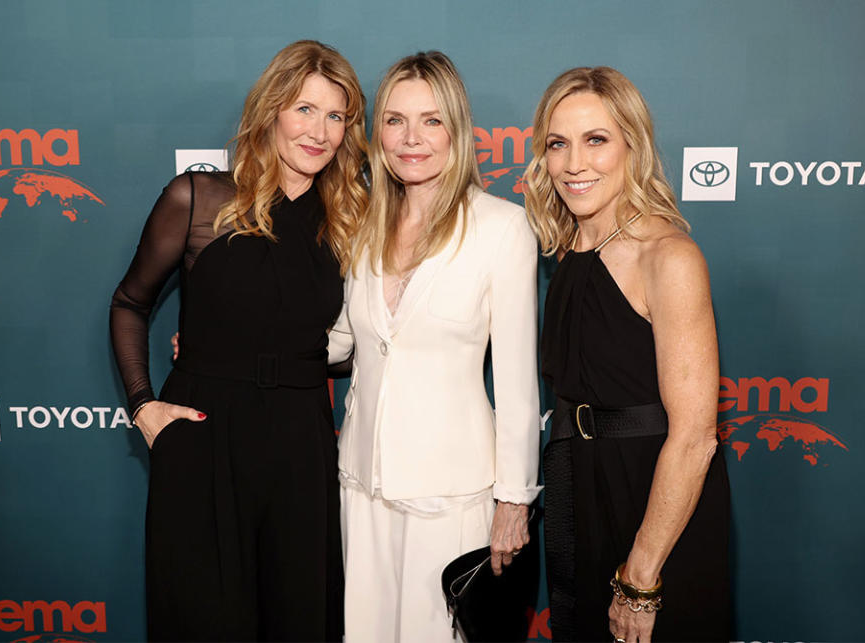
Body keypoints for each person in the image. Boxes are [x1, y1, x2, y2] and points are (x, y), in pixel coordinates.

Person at [109, 40, 367, 642]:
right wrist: (144, 405)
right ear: (271, 110)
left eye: (336, 116)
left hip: (301, 443)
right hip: (203, 435)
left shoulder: (352, 219)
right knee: (203, 615)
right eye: (304, 109)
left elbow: (353, 340)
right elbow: (129, 304)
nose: (319, 131)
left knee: (300, 613)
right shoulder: (198, 198)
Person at [327, 51, 541, 643]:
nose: (411, 138)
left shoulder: (502, 227)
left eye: (431, 120)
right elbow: (339, 342)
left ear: (457, 130)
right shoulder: (364, 225)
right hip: (363, 487)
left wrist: (514, 500)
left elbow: (520, 381)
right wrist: (232, 340)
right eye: (395, 120)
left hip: (452, 497)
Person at [524, 66, 731, 643]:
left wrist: (641, 577)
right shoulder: (572, 250)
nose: (573, 164)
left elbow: (695, 436)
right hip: (578, 491)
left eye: (596, 140)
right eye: (558, 144)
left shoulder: (668, 256)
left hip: (652, 504)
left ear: (631, 146)